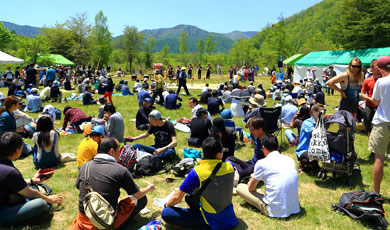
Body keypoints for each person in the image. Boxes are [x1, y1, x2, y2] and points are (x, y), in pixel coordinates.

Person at [72, 137, 155, 229]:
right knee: (142, 199)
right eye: (119, 149)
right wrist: (149, 188)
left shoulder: (85, 166)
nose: (120, 153)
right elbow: (137, 195)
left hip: (83, 220)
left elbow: (79, 187)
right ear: (112, 151)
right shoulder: (120, 170)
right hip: (104, 221)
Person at [161, 137, 238, 229]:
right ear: (218, 155)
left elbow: (177, 197)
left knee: (166, 213)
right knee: (192, 196)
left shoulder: (197, 172)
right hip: (228, 215)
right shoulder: (230, 166)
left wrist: (166, 206)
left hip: (209, 218)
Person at [0, 132, 63, 226]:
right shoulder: (10, 172)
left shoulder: (4, 165)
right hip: (2, 213)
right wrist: (49, 199)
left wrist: (32, 180)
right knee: (41, 203)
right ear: (17, 151)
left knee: (34, 189)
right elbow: (30, 192)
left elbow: (13, 183)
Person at [237, 134, 300, 218]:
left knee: (240, 187)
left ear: (263, 148)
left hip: (274, 210)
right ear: (278, 146)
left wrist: (253, 178)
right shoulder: (290, 160)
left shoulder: (262, 163)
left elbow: (251, 188)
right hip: (294, 207)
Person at [368, 56, 390, 193]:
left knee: (379, 159)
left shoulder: (381, 82)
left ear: (379, 69)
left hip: (382, 122)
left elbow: (375, 102)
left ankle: (376, 193)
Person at [226, 117, 266, 181]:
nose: (251, 132)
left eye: (252, 130)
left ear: (260, 129)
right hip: (250, 163)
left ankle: (239, 174)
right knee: (229, 158)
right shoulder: (257, 138)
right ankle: (239, 172)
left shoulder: (267, 142)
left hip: (257, 167)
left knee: (243, 172)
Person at [295, 104, 325, 172]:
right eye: (320, 112)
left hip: (314, 148)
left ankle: (315, 164)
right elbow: (314, 132)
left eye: (323, 112)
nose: (322, 114)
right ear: (313, 111)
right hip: (304, 150)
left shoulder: (321, 122)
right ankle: (302, 164)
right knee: (314, 155)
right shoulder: (307, 123)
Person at [361, 59, 381, 137]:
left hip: (381, 107)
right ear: (371, 68)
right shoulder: (367, 80)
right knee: (369, 127)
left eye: (379, 67)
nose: (378, 69)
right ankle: (370, 143)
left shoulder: (384, 79)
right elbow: (362, 93)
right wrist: (370, 99)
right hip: (369, 106)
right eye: (376, 67)